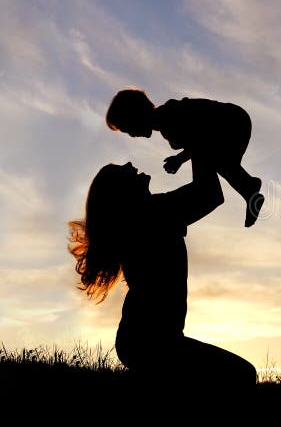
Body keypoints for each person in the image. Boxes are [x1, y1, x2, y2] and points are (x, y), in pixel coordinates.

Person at [68, 154, 257, 388]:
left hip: (146, 341)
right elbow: (209, 194)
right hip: (151, 343)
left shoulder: (150, 212)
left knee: (234, 374)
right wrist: (200, 142)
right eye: (120, 171)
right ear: (121, 194)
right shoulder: (153, 213)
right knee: (241, 374)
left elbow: (209, 193)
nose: (128, 165)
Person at [105, 87, 264, 227]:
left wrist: (181, 159)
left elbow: (198, 137)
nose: (132, 135)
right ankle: (248, 186)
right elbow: (196, 142)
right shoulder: (167, 124)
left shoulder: (169, 116)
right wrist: (179, 159)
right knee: (218, 161)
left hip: (231, 122)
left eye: (128, 128)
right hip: (230, 124)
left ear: (137, 114)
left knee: (213, 161)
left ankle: (247, 186)